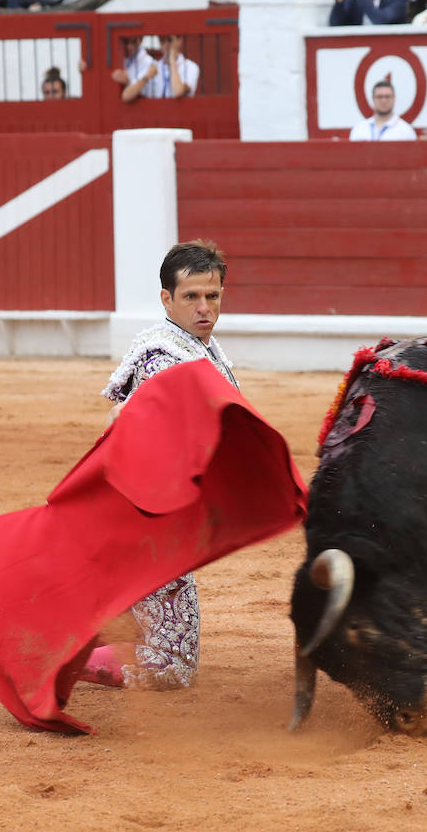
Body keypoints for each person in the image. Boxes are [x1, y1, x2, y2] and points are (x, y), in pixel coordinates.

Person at [89, 240, 239, 691]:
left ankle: (59, 635)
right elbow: (136, 421)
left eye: (212, 296)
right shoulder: (163, 358)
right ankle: (44, 657)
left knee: (157, 644)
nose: (204, 308)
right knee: (171, 669)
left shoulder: (194, 347)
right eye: (191, 296)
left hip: (164, 521)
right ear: (166, 299)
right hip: (148, 525)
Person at [349, 79, 417, 141]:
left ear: (394, 99)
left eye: (387, 97)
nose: (383, 101)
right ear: (373, 99)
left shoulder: (406, 131)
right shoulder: (359, 129)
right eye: (379, 97)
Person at [111, 35, 155, 102]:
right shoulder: (117, 58)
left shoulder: (149, 62)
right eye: (126, 42)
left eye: (133, 42)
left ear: (140, 40)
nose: (129, 46)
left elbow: (129, 96)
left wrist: (127, 82)